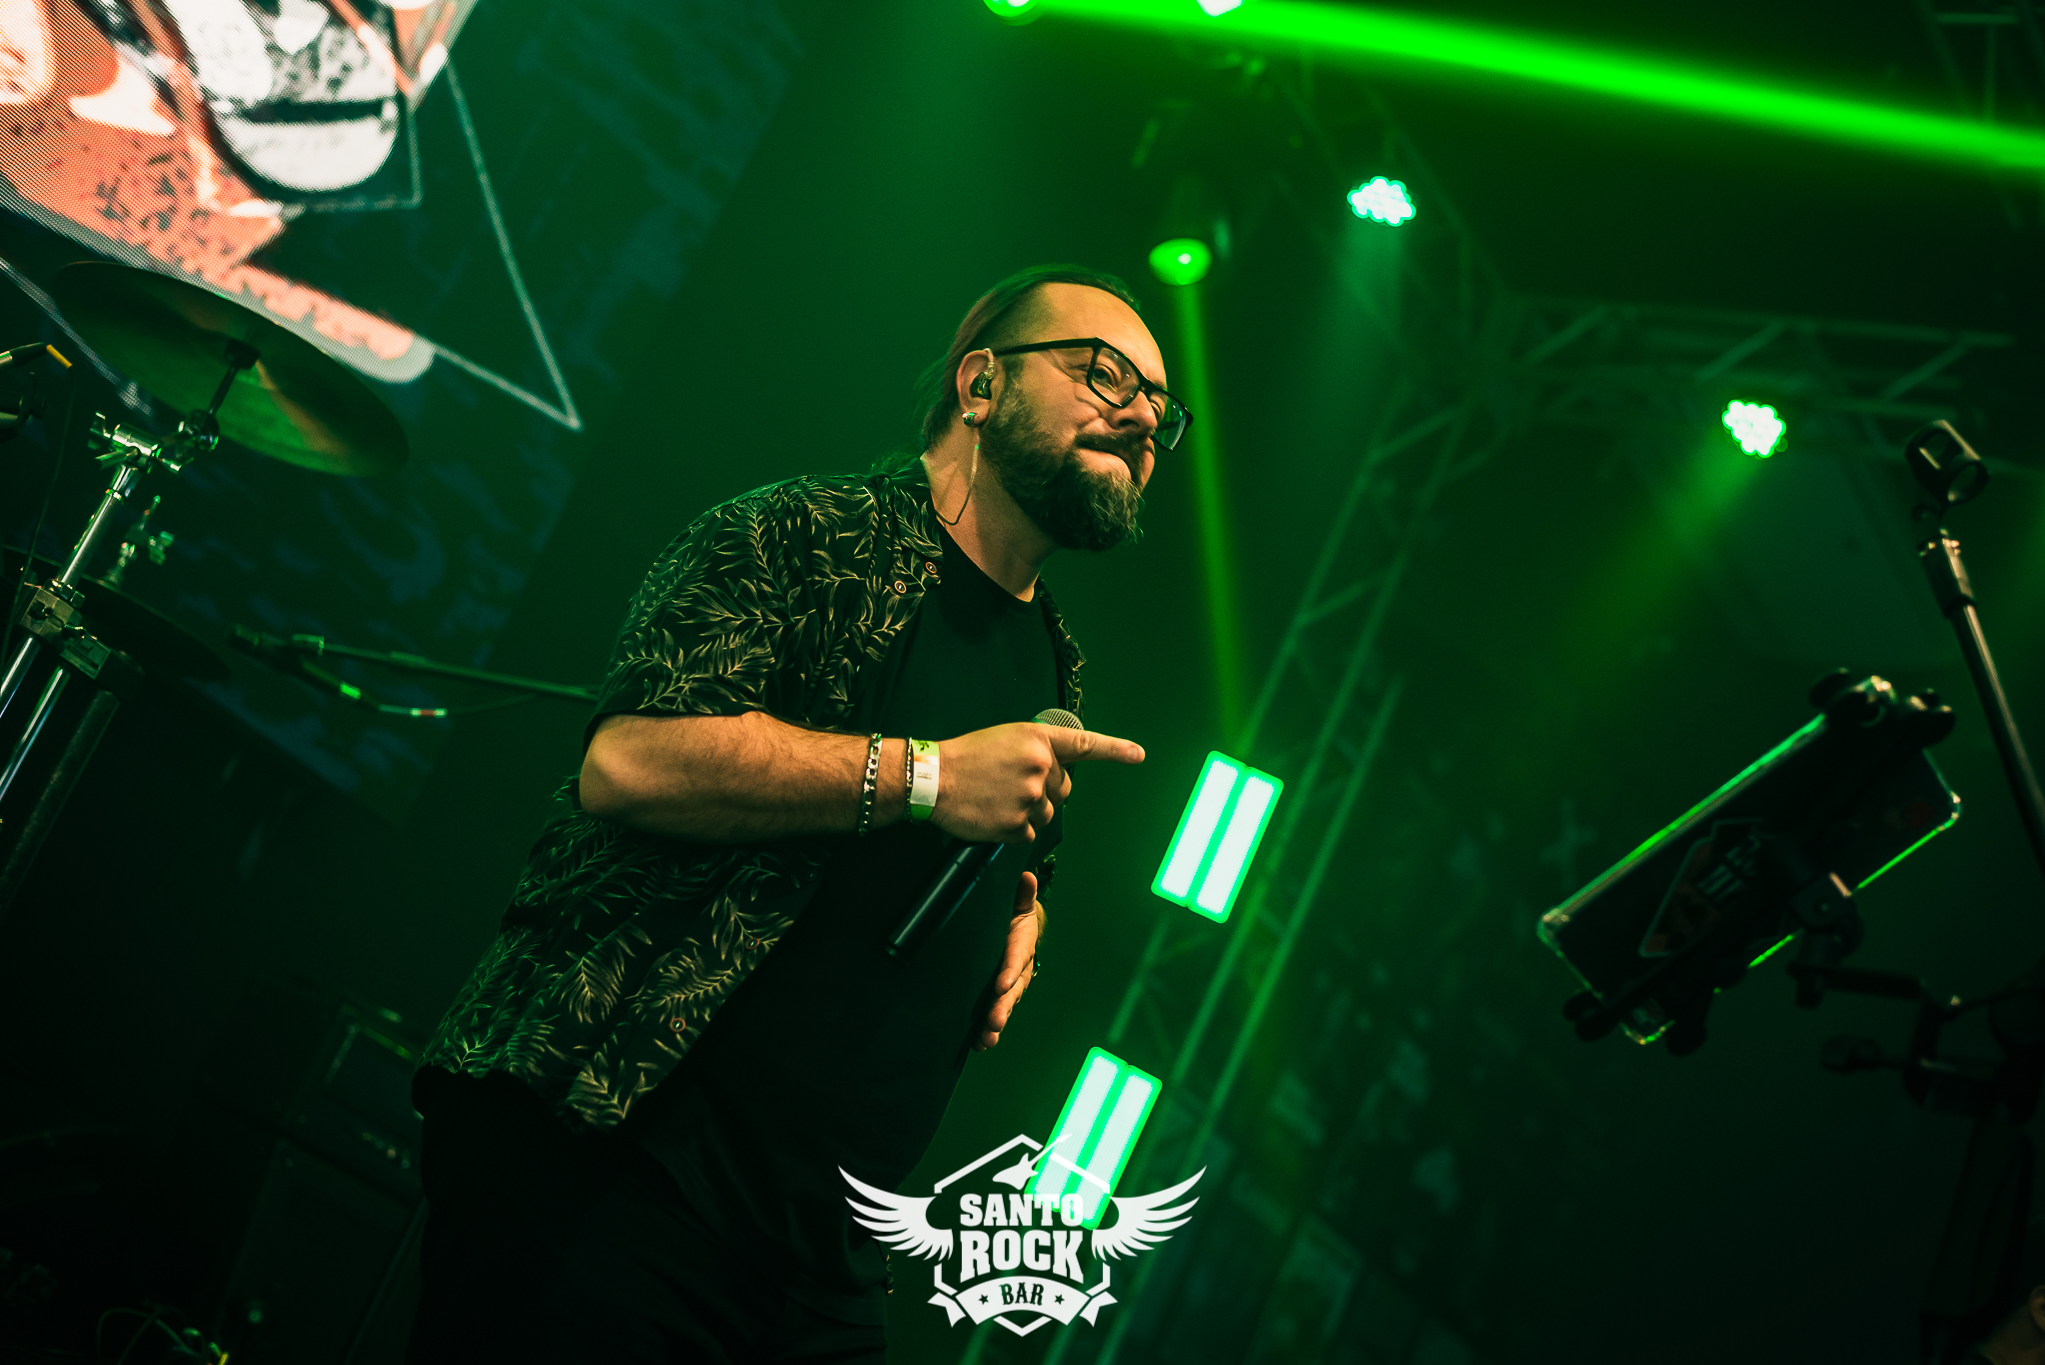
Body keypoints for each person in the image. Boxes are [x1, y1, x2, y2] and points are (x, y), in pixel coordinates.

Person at [404, 264, 1190, 1363]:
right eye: (1104, 373)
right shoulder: (801, 532)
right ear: (979, 384)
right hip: (622, 1160)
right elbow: (629, 763)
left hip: (823, 1258)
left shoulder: (1054, 659)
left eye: (1160, 403)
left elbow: (989, 840)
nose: (1143, 415)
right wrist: (925, 776)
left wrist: (1021, 912)